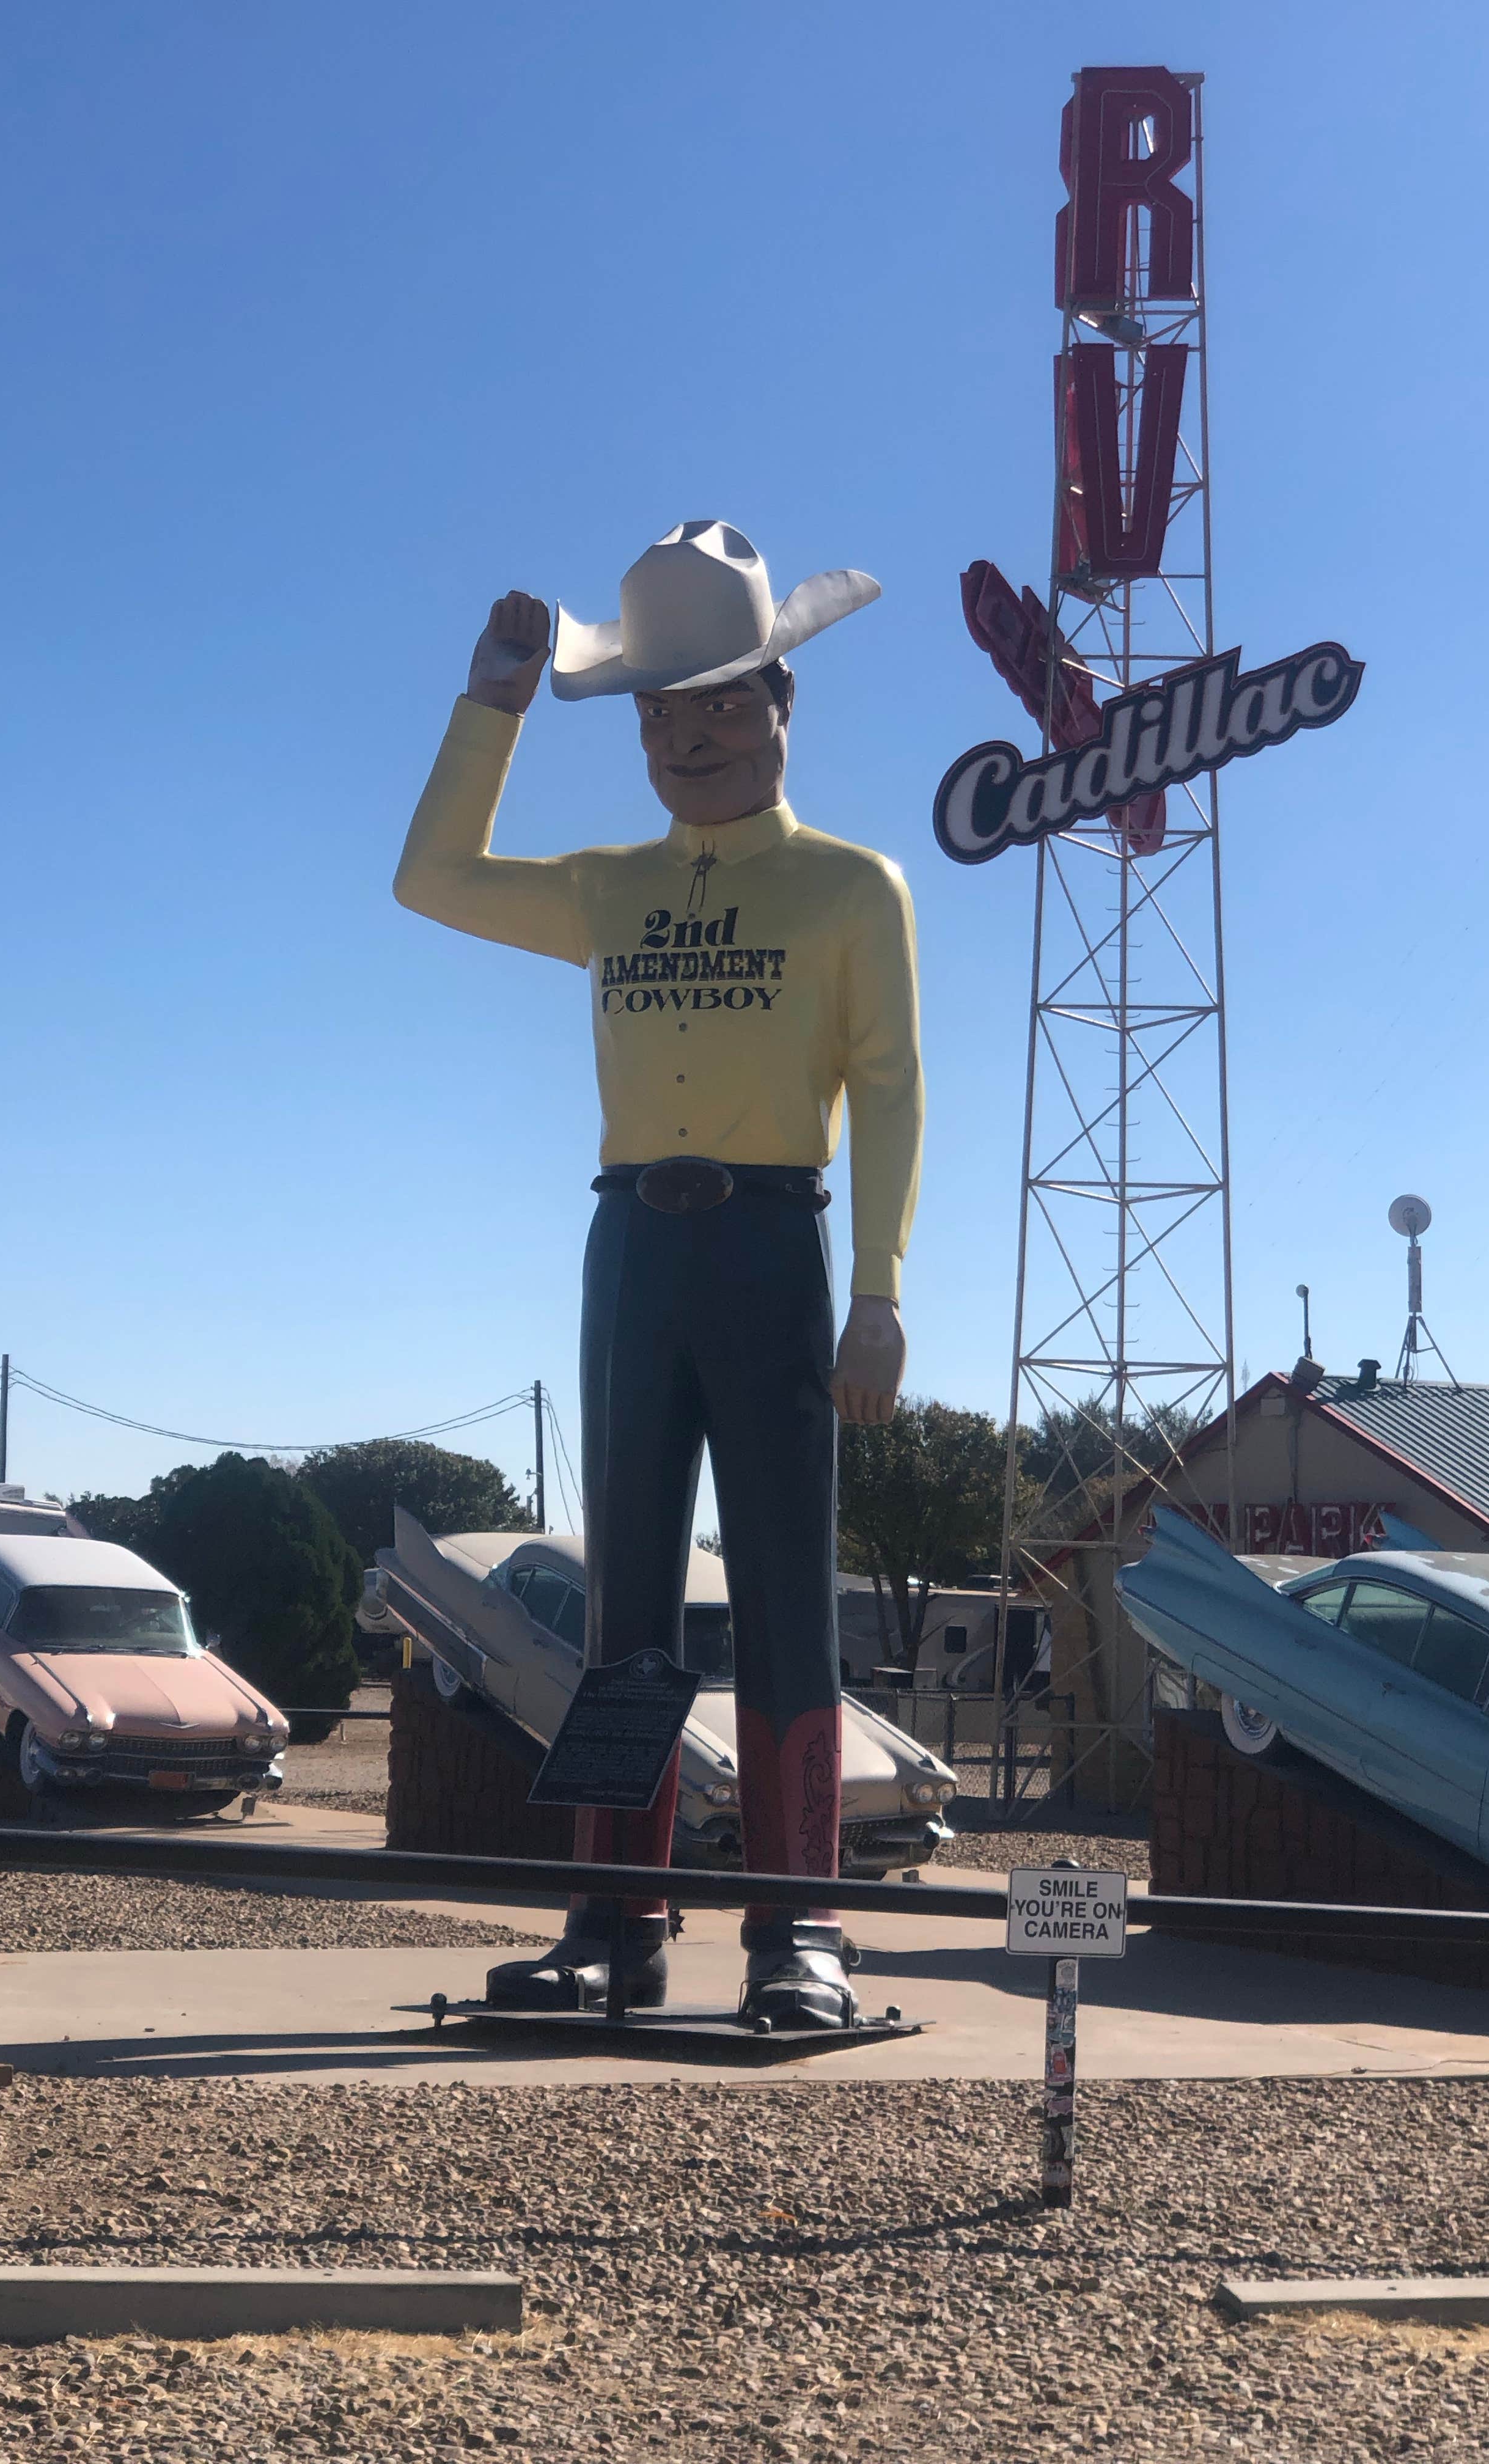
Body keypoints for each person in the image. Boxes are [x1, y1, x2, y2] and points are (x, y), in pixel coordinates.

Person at [395, 520, 923, 2027]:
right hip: (629, 1246)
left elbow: (889, 1086)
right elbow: (432, 878)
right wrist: (494, 701)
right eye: (655, 713)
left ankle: (798, 1935)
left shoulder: (850, 888)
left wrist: (876, 1285)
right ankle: (611, 1923)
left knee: (782, 1595)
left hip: (774, 1245)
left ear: (780, 707)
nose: (685, 739)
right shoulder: (609, 889)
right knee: (624, 1601)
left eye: (717, 705)